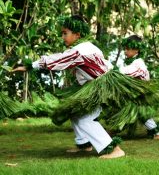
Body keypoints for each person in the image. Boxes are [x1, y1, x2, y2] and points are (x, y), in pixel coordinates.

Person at [12, 15, 125, 158]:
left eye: (65, 33)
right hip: (101, 85)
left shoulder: (80, 50)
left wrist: (30, 65)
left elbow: (59, 60)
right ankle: (85, 145)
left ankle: (114, 149)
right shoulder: (89, 46)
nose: (62, 36)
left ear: (77, 34)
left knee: (85, 119)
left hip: (103, 88)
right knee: (76, 113)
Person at [118, 35, 159, 140]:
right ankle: (117, 129)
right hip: (132, 92)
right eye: (125, 48)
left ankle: (157, 132)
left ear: (136, 50)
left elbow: (132, 74)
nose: (125, 51)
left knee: (141, 113)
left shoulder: (139, 63)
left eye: (128, 49)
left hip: (141, 92)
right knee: (125, 110)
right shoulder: (128, 61)